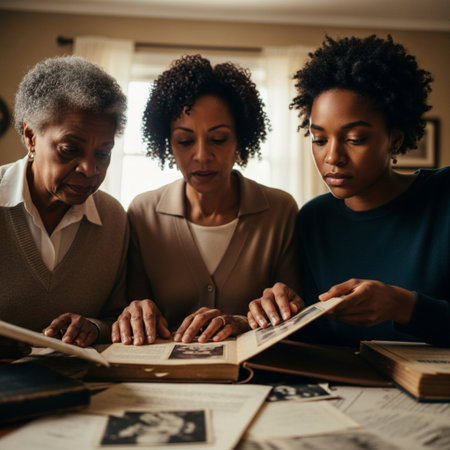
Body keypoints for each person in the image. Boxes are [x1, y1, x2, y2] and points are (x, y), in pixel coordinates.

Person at [248, 35, 450, 347]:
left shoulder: (444, 196)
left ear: (395, 140)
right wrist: (282, 316)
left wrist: (405, 306)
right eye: (319, 139)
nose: (332, 157)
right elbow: (322, 338)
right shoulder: (314, 218)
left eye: (354, 138)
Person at [112, 54, 300, 345]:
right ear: (168, 144)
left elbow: (293, 314)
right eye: (185, 141)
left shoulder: (279, 211)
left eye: (219, 139)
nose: (201, 155)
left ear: (241, 141)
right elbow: (135, 311)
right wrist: (133, 313)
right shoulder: (143, 213)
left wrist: (242, 323)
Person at [0, 56, 129, 350]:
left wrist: (94, 328)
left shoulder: (113, 219)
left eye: (103, 153)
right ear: (31, 137)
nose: (90, 169)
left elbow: (116, 317)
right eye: (70, 150)